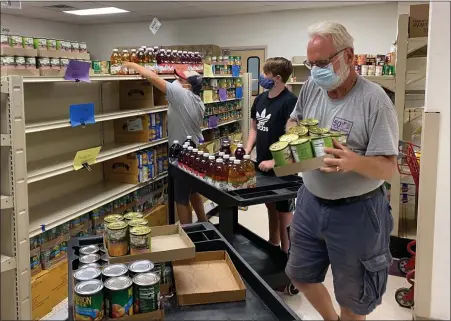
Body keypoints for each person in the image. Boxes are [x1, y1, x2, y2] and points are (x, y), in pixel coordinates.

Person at [285, 22, 399, 320]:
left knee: (353, 298)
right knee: (299, 274)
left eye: (322, 63)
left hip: (357, 212)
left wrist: (353, 161)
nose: (316, 71)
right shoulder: (312, 86)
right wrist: (297, 136)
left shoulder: (375, 101)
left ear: (348, 56)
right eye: (311, 64)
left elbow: (388, 168)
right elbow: (294, 120)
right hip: (310, 201)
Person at [124, 62, 207, 224]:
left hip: (182, 153)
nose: (177, 81)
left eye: (180, 80)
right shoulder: (198, 101)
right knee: (193, 190)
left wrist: (132, 65)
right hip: (195, 151)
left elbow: (153, 77)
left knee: (180, 197)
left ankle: (188, 234)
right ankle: (204, 222)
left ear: (188, 86)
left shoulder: (182, 95)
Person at [244, 57, 297, 253]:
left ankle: (286, 255)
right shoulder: (259, 99)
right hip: (262, 163)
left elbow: (293, 138)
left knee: (284, 212)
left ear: (276, 78)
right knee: (270, 206)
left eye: (265, 74)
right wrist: (247, 151)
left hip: (284, 167)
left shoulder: (290, 102)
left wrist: (276, 161)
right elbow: (254, 129)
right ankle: (273, 245)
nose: (261, 78)